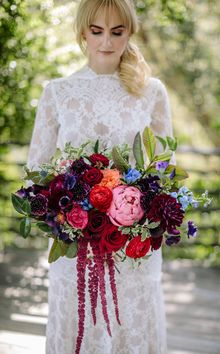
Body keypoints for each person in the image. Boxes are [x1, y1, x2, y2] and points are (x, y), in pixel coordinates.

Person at [27, 0, 175, 353]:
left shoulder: (152, 91)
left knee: (131, 327)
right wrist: (66, 213)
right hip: (75, 246)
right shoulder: (58, 92)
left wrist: (138, 215)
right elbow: (38, 172)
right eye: (97, 31)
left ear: (130, 33)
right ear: (83, 32)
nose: (106, 41)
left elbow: (165, 169)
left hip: (133, 246)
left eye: (117, 31)